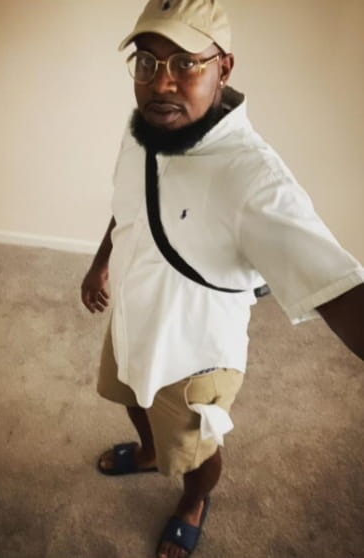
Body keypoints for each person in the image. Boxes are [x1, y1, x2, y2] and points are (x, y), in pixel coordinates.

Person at [81, 1, 364, 557]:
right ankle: (148, 453)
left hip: (194, 357)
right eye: (147, 62)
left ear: (224, 68)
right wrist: (100, 262)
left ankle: (193, 501)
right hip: (132, 319)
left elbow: (341, 290)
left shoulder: (254, 177)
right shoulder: (144, 128)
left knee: (197, 452)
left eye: (185, 63)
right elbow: (128, 206)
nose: (161, 83)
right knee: (131, 398)